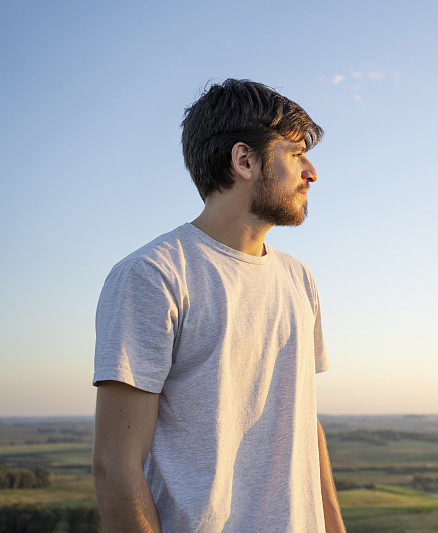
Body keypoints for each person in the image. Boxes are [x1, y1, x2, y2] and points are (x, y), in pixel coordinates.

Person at [91, 79, 345, 532]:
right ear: (244, 160)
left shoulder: (299, 277)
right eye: (294, 153)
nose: (312, 172)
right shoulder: (152, 275)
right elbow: (116, 466)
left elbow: (306, 425)